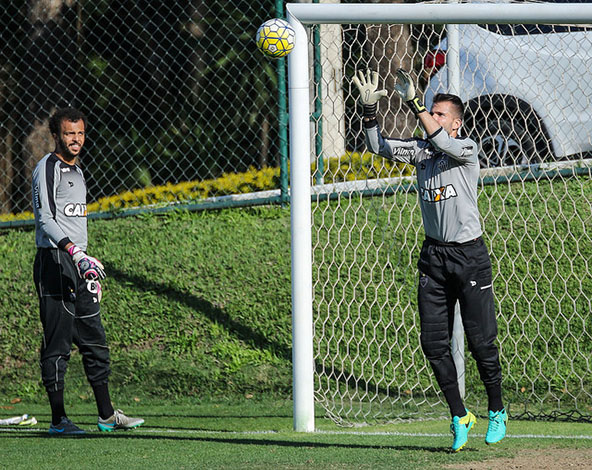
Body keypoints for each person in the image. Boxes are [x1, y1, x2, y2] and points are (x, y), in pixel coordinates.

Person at [353, 69, 507, 452]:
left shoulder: (465, 150)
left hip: (469, 256)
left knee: (481, 342)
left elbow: (440, 139)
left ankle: (497, 408)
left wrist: (414, 102)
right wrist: (369, 109)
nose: (432, 119)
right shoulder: (422, 152)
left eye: (440, 114)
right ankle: (459, 415)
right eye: (431, 112)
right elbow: (378, 146)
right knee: (433, 343)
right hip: (434, 258)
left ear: (455, 124)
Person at [32, 107, 144, 435]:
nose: (76, 139)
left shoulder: (79, 172)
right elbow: (46, 220)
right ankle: (58, 420)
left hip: (80, 263)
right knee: (59, 344)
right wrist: (74, 253)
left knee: (94, 339)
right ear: (57, 136)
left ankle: (107, 415)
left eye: (80, 133)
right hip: (55, 261)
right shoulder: (47, 168)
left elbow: (76, 223)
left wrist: (86, 263)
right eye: (69, 133)